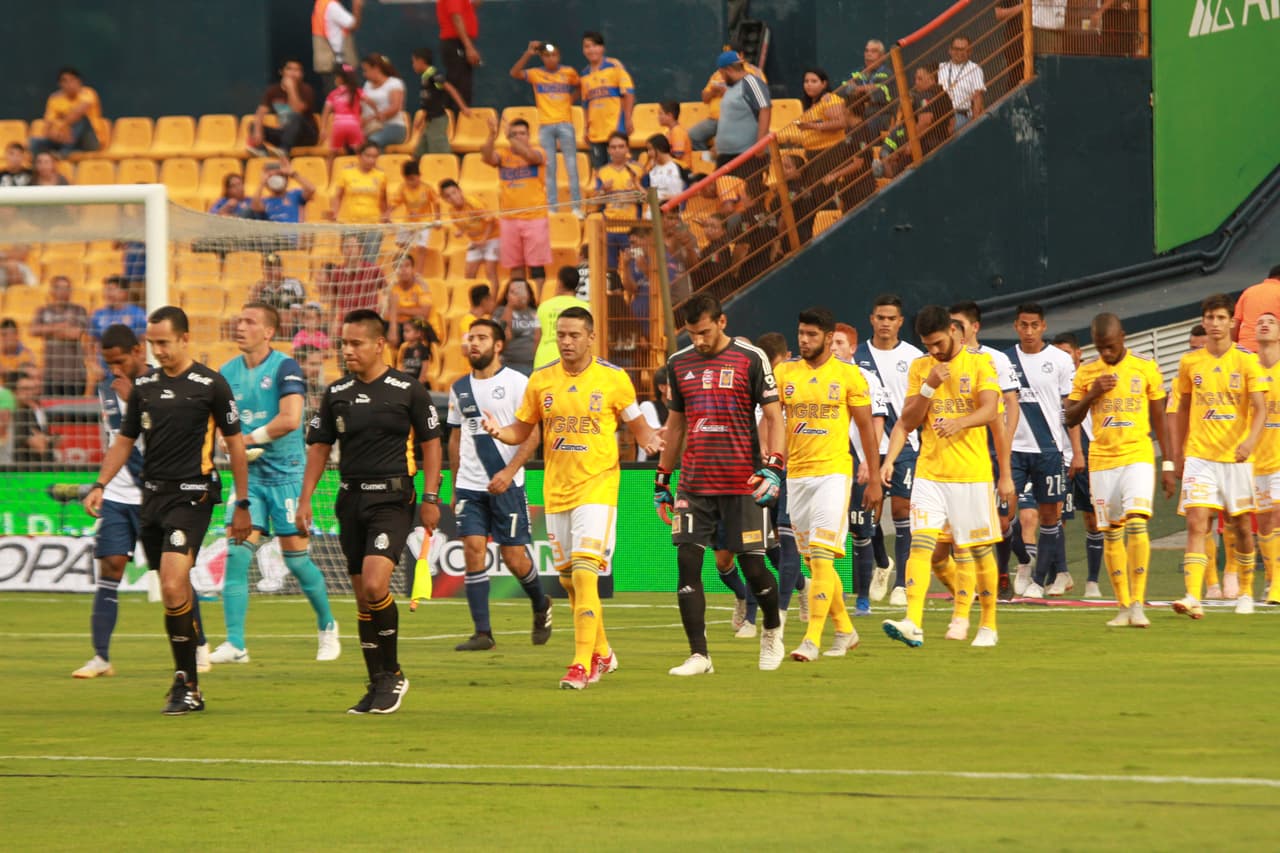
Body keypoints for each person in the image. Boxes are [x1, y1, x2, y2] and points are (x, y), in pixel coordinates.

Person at [481, 307, 661, 689]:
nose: (565, 342)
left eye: (573, 335)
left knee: (584, 572)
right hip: (556, 490)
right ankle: (604, 652)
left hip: (598, 487)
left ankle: (581, 665)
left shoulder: (614, 379)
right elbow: (523, 430)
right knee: (568, 582)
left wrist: (652, 440)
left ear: (591, 337)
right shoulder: (542, 381)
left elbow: (639, 427)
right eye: (561, 335)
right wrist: (499, 432)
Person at [83, 306, 251, 714]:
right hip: (152, 499)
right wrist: (100, 484)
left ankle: (186, 683)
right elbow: (124, 442)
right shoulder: (145, 388)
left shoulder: (210, 384)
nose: (158, 350)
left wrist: (242, 503)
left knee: (175, 584)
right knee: (171, 592)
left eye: (164, 342)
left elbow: (235, 444)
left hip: (193, 494)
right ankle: (189, 673)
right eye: (153, 343)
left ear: (184, 339)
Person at [299, 309, 443, 714]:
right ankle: (375, 681)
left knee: (378, 585)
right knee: (363, 598)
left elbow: (432, 443)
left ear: (379, 344)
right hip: (350, 499)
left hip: (393, 499)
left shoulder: (407, 389)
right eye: (344, 343)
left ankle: (394, 673)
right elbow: (319, 448)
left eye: (356, 343)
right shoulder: (336, 393)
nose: (348, 351)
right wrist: (306, 497)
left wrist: (431, 497)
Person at [655, 294, 786, 675]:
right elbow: (676, 424)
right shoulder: (679, 364)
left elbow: (775, 417)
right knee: (687, 562)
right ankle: (700, 655)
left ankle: (772, 631)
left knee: (754, 566)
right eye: (692, 333)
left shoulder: (750, 358)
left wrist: (774, 466)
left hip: (742, 481)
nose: (698, 340)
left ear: (722, 323)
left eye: (705, 332)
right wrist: (663, 478)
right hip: (694, 484)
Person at [209, 303, 340, 665]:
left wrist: (246, 440)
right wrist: (227, 440)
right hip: (248, 477)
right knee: (236, 554)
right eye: (238, 320)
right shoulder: (226, 373)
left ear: (268, 332)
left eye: (249, 321)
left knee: (296, 561)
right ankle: (236, 643)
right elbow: (224, 422)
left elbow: (291, 419)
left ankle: (327, 626)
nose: (240, 326)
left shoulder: (285, 367)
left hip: (287, 474)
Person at [881, 305, 1012, 649]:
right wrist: (928, 388)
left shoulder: (980, 363)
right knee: (922, 546)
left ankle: (987, 623)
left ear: (954, 331)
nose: (934, 351)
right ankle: (913, 621)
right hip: (930, 473)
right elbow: (907, 421)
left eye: (937, 343)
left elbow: (989, 409)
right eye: (928, 345)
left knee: (979, 551)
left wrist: (962, 423)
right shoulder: (922, 368)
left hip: (971, 474)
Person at [773, 306, 882, 660]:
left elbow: (866, 427)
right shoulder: (784, 373)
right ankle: (845, 630)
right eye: (801, 334)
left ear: (826, 337)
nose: (804, 340)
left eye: (811, 335)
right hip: (798, 477)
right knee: (815, 563)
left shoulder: (850, 376)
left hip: (834, 473)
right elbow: (772, 419)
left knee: (821, 556)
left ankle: (811, 639)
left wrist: (875, 475)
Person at [1064, 313, 1175, 627]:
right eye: (1101, 348)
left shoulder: (1145, 366)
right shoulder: (1087, 372)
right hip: (1102, 460)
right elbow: (1070, 417)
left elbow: (1160, 418)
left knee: (1137, 524)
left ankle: (1138, 603)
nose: (1106, 354)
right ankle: (1123, 605)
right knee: (1111, 532)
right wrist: (1092, 393)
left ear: (1123, 337)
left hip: (1137, 456)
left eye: (1111, 347)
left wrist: (1167, 463)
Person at [447, 319, 552, 650]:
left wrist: (509, 472)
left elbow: (533, 434)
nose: (473, 343)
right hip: (469, 485)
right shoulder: (458, 388)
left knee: (513, 557)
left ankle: (540, 602)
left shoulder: (519, 384)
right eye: (470, 337)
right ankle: (483, 633)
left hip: (507, 483)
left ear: (498, 346)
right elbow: (454, 436)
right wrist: (454, 484)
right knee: (473, 549)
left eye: (481, 338)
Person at [1169, 294, 1266, 619]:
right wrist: (1179, 451)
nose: (1214, 324)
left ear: (1231, 322)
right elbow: (1182, 405)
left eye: (1221, 318)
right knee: (1198, 523)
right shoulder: (1190, 362)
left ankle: (1247, 591)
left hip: (1236, 457)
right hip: (1200, 456)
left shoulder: (1246, 361)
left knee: (1240, 526)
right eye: (1209, 318)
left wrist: (1250, 441)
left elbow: (1260, 408)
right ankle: (1193, 595)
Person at [72, 325, 148, 678]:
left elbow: (167, 432)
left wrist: (135, 398)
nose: (114, 369)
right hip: (118, 492)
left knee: (172, 574)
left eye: (119, 361)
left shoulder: (158, 385)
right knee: (110, 568)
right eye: (108, 363)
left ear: (138, 351)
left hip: (155, 492)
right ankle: (100, 657)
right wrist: (99, 485)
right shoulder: (105, 389)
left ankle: (198, 645)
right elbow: (116, 441)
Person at [1005, 302, 1082, 598]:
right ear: (1015, 326)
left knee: (1050, 517)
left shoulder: (1060, 361)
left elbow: (1069, 411)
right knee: (1004, 517)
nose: (1028, 331)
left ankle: (1038, 580)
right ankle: (1024, 561)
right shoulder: (1004, 360)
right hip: (1013, 450)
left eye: (1034, 325)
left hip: (1050, 451)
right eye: (1023, 325)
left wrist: (1076, 451)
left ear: (1043, 326)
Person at [853, 294, 924, 605]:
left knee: (901, 510)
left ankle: (903, 583)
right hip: (867, 447)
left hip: (905, 443)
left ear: (900, 322)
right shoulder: (856, 356)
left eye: (890, 318)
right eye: (879, 317)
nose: (884, 323)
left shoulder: (914, 357)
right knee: (869, 514)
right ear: (871, 319)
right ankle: (882, 563)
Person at [949, 301, 1021, 599]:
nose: (954, 331)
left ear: (974, 327)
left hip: (992, 448)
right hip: (959, 451)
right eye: (950, 325)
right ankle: (971, 583)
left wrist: (1007, 439)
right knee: (959, 522)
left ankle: (1002, 571)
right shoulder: (943, 360)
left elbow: (1012, 403)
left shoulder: (995, 359)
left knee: (1002, 519)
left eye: (959, 325)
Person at [832, 321, 887, 616]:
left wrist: (870, 460)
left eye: (839, 343)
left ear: (853, 348)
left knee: (860, 529)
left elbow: (877, 420)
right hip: (825, 461)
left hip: (856, 461)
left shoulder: (865, 378)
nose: (833, 349)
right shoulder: (817, 374)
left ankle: (863, 598)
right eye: (831, 343)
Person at [1054, 332, 1103, 597]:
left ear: (1078, 353)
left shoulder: (1090, 377)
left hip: (1091, 451)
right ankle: (1061, 573)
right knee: (1056, 515)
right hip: (1060, 452)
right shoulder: (1051, 378)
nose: (1061, 358)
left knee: (1092, 517)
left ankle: (1093, 581)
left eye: (1066, 353)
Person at [511, 41, 582, 215]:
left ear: (559, 56)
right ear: (542, 57)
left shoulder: (569, 72)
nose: (551, 59)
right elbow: (514, 73)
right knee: (549, 167)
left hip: (565, 123)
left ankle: (576, 207)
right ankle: (552, 207)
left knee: (571, 166)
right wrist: (528, 53)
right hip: (545, 125)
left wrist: (570, 100)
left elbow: (580, 85)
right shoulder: (536, 74)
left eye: (554, 55)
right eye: (546, 56)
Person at [483, 118, 551, 289]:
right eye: (515, 134)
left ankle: (538, 302)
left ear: (529, 136)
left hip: (534, 218)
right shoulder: (503, 154)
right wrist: (492, 135)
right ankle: (520, 302)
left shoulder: (539, 152)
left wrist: (510, 137)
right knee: (515, 266)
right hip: (509, 219)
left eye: (522, 134)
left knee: (536, 267)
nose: (519, 137)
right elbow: (486, 157)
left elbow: (529, 156)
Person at [1251, 314, 1280, 605]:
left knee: (1278, 514)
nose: (1264, 324)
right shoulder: (1249, 369)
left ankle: (1277, 585)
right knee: (1264, 524)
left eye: (1271, 321)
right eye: (1260, 321)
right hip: (1256, 457)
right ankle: (1272, 579)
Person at [690, 51, 767, 152]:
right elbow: (704, 97)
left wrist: (726, 92)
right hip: (715, 120)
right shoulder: (717, 75)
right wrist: (713, 92)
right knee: (692, 136)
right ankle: (709, 163)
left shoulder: (753, 73)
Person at [712, 51, 771, 177]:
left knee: (747, 195)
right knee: (722, 192)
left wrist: (761, 144)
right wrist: (718, 144)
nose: (722, 78)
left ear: (727, 70)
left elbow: (765, 108)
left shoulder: (751, 82)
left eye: (722, 74)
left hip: (748, 155)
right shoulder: (731, 89)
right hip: (726, 155)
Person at [580, 32, 635, 168]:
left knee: (620, 169)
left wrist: (628, 119)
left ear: (602, 48)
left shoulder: (615, 67)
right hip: (595, 133)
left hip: (615, 129)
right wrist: (586, 128)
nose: (591, 50)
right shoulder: (584, 74)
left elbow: (628, 93)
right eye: (587, 46)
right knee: (601, 173)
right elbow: (586, 104)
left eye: (595, 45)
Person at [328, 141, 389, 262]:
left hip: (372, 225)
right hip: (350, 224)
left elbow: (384, 200)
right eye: (368, 156)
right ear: (359, 156)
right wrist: (335, 213)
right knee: (351, 260)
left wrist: (386, 215)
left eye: (374, 157)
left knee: (369, 264)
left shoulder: (381, 176)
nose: (371, 160)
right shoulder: (346, 173)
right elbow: (338, 196)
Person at [31, 275, 90, 398]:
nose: (64, 292)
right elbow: (33, 330)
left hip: (74, 374)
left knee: (74, 413)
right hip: (50, 374)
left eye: (67, 288)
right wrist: (62, 325)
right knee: (52, 413)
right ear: (52, 290)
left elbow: (75, 334)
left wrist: (47, 330)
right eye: (59, 288)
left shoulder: (79, 310)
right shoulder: (43, 310)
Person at [592, 131, 643, 271]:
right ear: (608, 150)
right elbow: (594, 201)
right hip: (610, 228)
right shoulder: (602, 172)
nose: (617, 150)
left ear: (627, 148)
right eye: (613, 147)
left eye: (621, 146)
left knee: (635, 270)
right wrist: (602, 189)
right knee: (611, 271)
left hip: (632, 229)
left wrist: (634, 193)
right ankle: (616, 292)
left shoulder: (637, 170)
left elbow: (647, 197)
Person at [250, 59, 319, 156]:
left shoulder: (306, 89)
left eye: (297, 70)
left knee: (296, 117)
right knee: (253, 125)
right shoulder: (273, 90)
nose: (293, 73)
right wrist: (258, 131)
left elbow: (297, 110)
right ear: (281, 72)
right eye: (289, 69)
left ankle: (284, 150)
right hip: (285, 134)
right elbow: (261, 112)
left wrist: (291, 88)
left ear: (302, 74)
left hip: (306, 135)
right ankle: (262, 151)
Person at [411, 47, 472, 157]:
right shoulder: (425, 77)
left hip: (437, 120)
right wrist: (421, 118)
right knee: (419, 153)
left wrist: (463, 107)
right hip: (429, 121)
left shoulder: (434, 75)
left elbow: (450, 88)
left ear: (421, 61)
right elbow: (428, 102)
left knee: (439, 153)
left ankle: (448, 169)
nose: (413, 65)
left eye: (413, 62)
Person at [439, 179, 500, 289]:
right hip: (476, 241)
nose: (453, 197)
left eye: (454, 193)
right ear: (445, 199)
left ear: (460, 191)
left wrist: (484, 240)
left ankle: (492, 302)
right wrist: (461, 231)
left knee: (490, 271)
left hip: (492, 238)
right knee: (469, 274)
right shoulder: (452, 212)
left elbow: (491, 220)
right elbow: (466, 223)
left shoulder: (473, 203)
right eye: (448, 196)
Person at [319, 234, 386, 332]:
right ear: (341, 250)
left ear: (361, 250)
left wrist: (382, 307)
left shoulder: (373, 270)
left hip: (368, 324)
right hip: (346, 324)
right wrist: (332, 324)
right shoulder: (337, 272)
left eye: (353, 246)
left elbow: (387, 291)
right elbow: (333, 301)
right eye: (346, 246)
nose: (350, 249)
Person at [28, 67, 101, 157]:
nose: (69, 84)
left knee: (81, 120)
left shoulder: (88, 93)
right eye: (64, 81)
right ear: (60, 84)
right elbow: (48, 125)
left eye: (72, 80)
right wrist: (55, 134)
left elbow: (78, 113)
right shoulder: (54, 98)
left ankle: (64, 152)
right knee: (34, 142)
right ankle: (40, 168)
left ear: (79, 82)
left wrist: (60, 127)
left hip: (89, 142)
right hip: (63, 139)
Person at [390, 161, 440, 274]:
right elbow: (395, 202)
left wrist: (437, 220)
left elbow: (436, 203)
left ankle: (418, 274)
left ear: (419, 175)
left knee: (421, 248)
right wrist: (387, 214)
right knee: (400, 244)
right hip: (408, 221)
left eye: (413, 179)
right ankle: (406, 266)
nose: (410, 182)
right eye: (408, 179)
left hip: (424, 222)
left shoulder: (427, 188)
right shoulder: (403, 188)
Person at [533, 266, 588, 369]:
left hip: (544, 361)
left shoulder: (543, 307)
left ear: (560, 283)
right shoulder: (585, 308)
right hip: (574, 362)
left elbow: (537, 338)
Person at [88, 276, 147, 362]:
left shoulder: (137, 313)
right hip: (105, 367)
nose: (107, 293)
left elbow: (144, 340)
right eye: (105, 290)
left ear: (124, 292)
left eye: (111, 289)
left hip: (130, 365)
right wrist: (93, 364)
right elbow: (91, 342)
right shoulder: (98, 315)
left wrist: (141, 357)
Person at [385, 256, 440, 345]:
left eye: (407, 266)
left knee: (414, 326)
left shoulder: (422, 286)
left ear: (413, 268)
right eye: (399, 267)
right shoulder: (393, 289)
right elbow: (387, 314)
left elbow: (424, 313)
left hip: (424, 329)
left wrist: (398, 310)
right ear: (395, 271)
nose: (403, 270)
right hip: (403, 329)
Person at [437, 0, 481, 107]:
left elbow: (469, 10)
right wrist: (469, 47)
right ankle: (456, 121)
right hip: (456, 43)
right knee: (460, 88)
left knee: (464, 87)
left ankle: (458, 119)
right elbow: (456, 17)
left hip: (460, 42)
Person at [361, 54, 408, 150]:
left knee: (373, 142)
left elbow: (395, 107)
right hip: (371, 127)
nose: (364, 74)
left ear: (376, 69)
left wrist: (373, 118)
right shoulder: (367, 85)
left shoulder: (394, 83)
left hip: (393, 127)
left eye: (366, 70)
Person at [492, 278, 538, 375]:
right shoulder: (500, 312)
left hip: (534, 365)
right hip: (510, 364)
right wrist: (510, 307)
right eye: (513, 292)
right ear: (507, 295)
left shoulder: (537, 312)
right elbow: (504, 337)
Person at [938, 36, 985, 130]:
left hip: (960, 114)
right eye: (956, 49)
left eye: (963, 50)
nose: (959, 52)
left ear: (970, 51)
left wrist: (975, 123)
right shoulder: (941, 67)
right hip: (940, 115)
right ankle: (901, 141)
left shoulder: (975, 69)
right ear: (950, 50)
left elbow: (977, 97)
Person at [1231, 264, 1280, 353]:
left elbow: (1234, 324)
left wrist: (1233, 350)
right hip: (1273, 352)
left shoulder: (1248, 292)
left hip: (1245, 350)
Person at [251, 159, 317, 224]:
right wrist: (261, 183)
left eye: (279, 176)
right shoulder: (265, 201)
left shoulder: (295, 194)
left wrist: (293, 174)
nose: (276, 180)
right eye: (272, 177)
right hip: (274, 233)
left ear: (286, 179)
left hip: (293, 233)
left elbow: (311, 189)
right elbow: (255, 207)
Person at [321, 67, 366, 154]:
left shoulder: (334, 94)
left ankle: (329, 167)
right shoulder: (358, 92)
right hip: (354, 127)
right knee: (359, 152)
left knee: (333, 153)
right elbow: (369, 102)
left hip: (341, 126)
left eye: (336, 77)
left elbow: (325, 112)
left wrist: (323, 129)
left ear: (340, 79)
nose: (335, 79)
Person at [12, 374, 54, 465]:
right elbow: (37, 444)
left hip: (42, 466)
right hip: (20, 468)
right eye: (24, 389)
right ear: (15, 392)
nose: (29, 393)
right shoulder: (13, 414)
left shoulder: (37, 411)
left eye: (31, 389)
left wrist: (47, 440)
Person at [312, 0, 363, 74]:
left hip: (327, 63)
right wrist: (357, 6)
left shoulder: (321, 4)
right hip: (338, 64)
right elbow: (353, 25)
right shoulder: (331, 6)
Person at [637, 366, 670, 463]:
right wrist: (676, 408)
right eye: (675, 384)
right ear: (662, 388)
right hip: (649, 467)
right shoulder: (648, 406)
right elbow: (660, 438)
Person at [643, 134, 685, 206]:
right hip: (652, 215)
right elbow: (645, 193)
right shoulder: (652, 170)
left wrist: (673, 198)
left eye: (650, 149)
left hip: (671, 214)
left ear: (660, 148)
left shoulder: (679, 167)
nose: (648, 153)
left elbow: (694, 190)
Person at [397, 317, 437, 387]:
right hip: (407, 383)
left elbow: (425, 367)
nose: (404, 334)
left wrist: (420, 382)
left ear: (418, 333)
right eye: (404, 331)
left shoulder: (422, 348)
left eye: (407, 331)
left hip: (418, 384)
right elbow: (403, 365)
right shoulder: (404, 348)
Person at [658, 102, 693, 173]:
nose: (658, 117)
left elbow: (678, 154)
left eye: (661, 114)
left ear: (670, 116)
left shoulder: (678, 131)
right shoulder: (668, 131)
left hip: (682, 170)